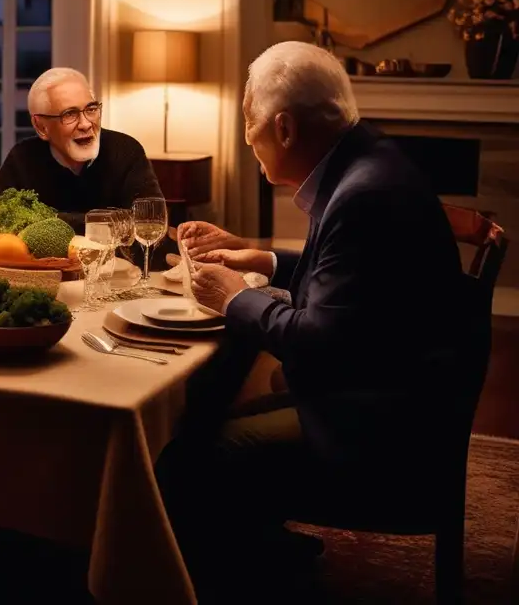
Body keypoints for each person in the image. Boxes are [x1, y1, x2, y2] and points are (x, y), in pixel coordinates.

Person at [156, 41, 467, 602]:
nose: (248, 141)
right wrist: (261, 258)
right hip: (397, 386)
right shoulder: (371, 162)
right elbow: (353, 282)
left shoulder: (362, 194)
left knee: (189, 456)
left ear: (285, 129)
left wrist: (233, 299)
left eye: (250, 127)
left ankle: (218, 578)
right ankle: (260, 547)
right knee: (207, 408)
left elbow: (321, 342)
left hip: (382, 424)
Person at [0, 68, 170, 263]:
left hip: (118, 284)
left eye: (91, 108)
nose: (86, 123)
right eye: (70, 114)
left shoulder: (126, 150)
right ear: (41, 127)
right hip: (42, 280)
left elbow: (150, 229)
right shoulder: (24, 157)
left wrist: (47, 221)